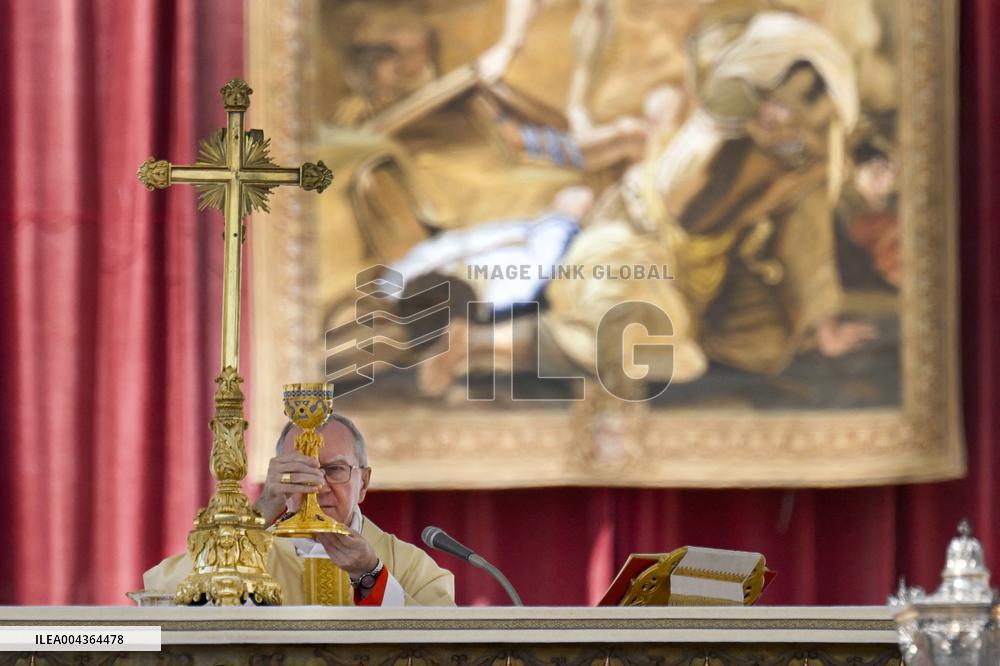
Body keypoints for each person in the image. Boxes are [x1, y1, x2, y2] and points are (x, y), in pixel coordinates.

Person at [143, 414, 455, 606]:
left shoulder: (408, 565)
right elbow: (164, 597)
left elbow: (444, 650)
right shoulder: (249, 553)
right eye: (299, 472)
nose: (318, 487)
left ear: (363, 483)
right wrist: (261, 512)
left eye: (334, 470)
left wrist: (370, 575)